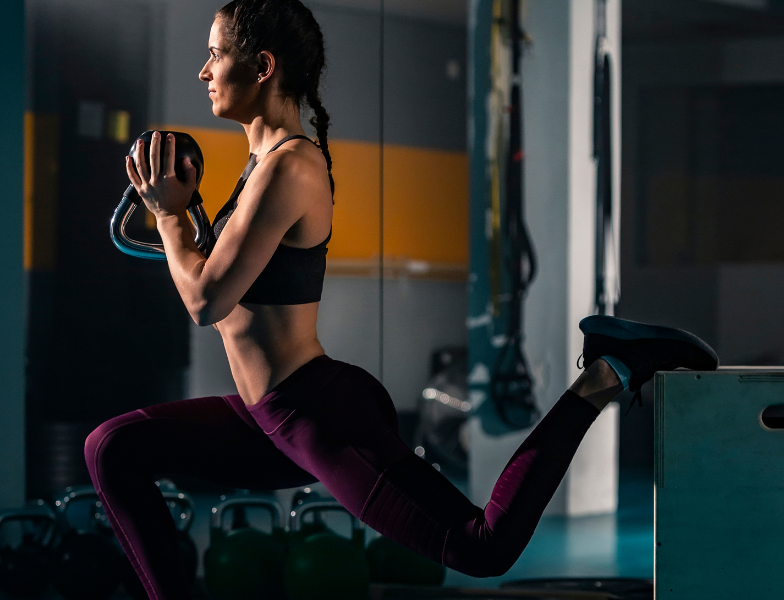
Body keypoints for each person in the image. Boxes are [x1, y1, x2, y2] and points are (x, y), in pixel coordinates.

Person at [84, 1, 718, 598]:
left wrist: (168, 217)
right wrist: (185, 210)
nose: (204, 70)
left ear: (263, 65)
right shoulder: (259, 167)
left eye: (215, 53)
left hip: (314, 413)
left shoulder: (291, 167)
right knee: (113, 448)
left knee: (483, 548)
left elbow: (206, 302)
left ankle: (604, 374)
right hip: (268, 417)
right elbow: (219, 278)